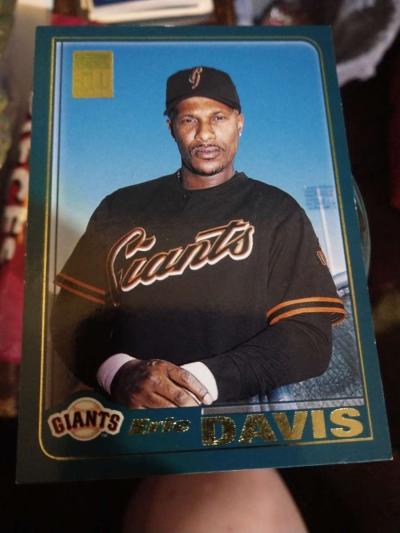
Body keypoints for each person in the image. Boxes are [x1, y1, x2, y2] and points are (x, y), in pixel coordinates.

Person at [51, 66, 345, 409]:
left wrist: (199, 381)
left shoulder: (276, 210)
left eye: (218, 117)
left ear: (239, 122)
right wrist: (119, 373)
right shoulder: (121, 207)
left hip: (243, 413)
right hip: (130, 417)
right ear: (171, 128)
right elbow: (71, 318)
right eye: (189, 120)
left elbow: (309, 336)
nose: (205, 134)